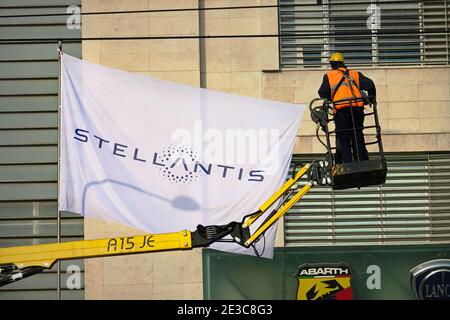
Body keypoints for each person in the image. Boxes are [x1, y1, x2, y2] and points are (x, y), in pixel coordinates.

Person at [318, 52, 376, 164]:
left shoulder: (329, 76)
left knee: (343, 137)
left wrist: (332, 97)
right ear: (342, 63)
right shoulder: (354, 74)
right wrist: (372, 98)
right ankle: (363, 161)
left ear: (332, 64)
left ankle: (348, 163)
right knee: (357, 135)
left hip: (341, 110)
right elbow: (370, 84)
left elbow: (322, 93)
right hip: (357, 109)